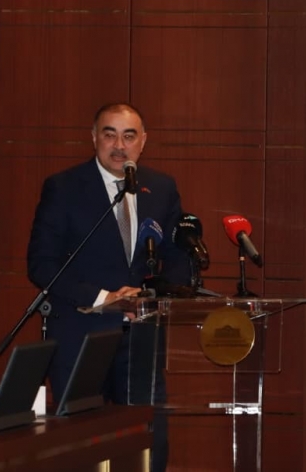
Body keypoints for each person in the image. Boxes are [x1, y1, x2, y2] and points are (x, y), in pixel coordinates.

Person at [26, 103, 191, 472]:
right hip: (82, 336)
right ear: (94, 138)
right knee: (82, 447)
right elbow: (42, 264)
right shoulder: (63, 187)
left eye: (129, 136)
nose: (119, 145)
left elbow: (178, 256)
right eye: (110, 134)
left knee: (148, 441)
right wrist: (104, 298)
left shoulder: (161, 188)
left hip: (142, 335)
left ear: (143, 141)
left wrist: (153, 298)